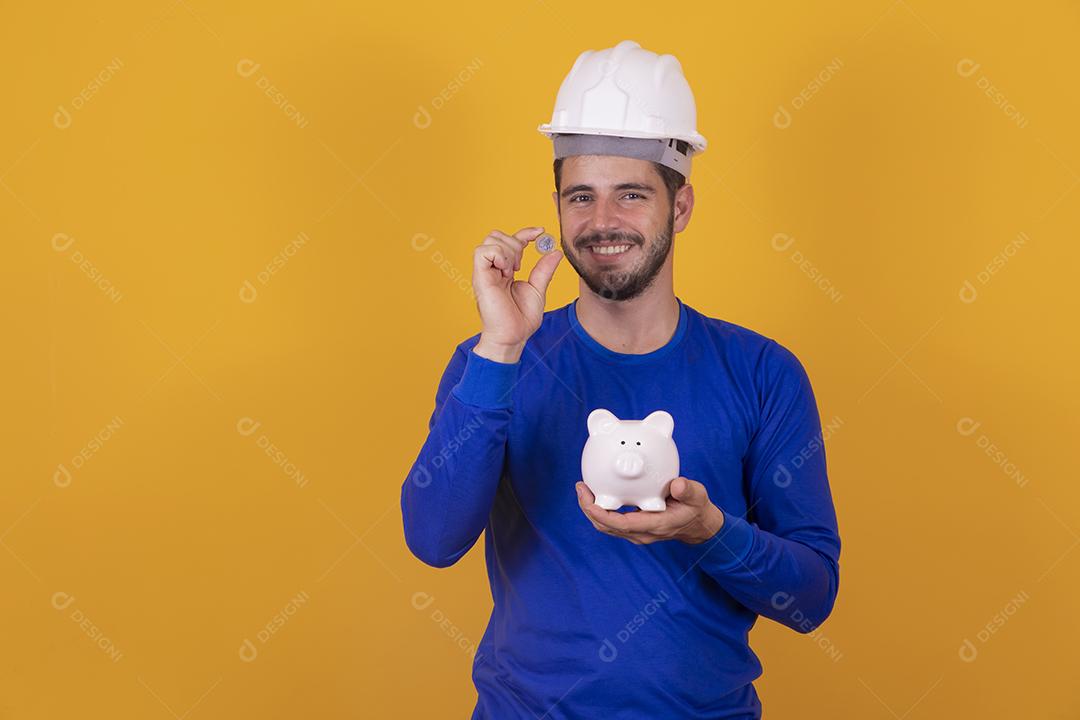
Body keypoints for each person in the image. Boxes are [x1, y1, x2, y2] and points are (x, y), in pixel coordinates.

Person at [401, 40, 841, 720]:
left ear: (680, 206)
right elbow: (433, 541)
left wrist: (710, 530)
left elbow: (811, 599)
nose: (602, 222)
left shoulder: (762, 373)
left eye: (631, 195)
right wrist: (501, 347)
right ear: (557, 206)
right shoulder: (493, 361)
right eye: (581, 196)